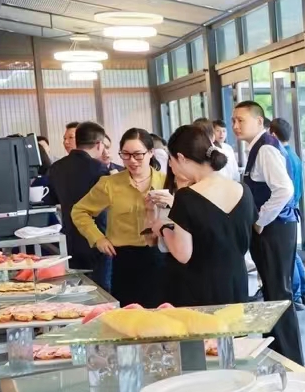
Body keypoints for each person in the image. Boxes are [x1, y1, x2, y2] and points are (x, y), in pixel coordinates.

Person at [233, 100, 304, 364]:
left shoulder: (265, 149)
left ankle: (290, 360)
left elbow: (284, 190)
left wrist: (260, 219)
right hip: (274, 227)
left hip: (276, 228)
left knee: (278, 295)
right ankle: (278, 354)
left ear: (259, 121)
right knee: (273, 293)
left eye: (241, 120)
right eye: (234, 120)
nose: (235, 125)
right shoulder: (259, 147)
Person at [154, 124, 256, 307]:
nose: (171, 166)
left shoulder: (186, 197)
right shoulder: (243, 190)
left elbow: (182, 254)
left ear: (181, 158)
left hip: (202, 287)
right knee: (234, 325)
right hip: (238, 282)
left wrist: (162, 229)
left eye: (171, 160)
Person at [71, 128, 166, 308]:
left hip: (161, 256)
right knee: (128, 315)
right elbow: (79, 211)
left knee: (161, 313)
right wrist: (97, 238)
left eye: (138, 155)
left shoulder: (166, 182)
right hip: (125, 260)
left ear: (150, 153)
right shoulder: (110, 184)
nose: (132, 160)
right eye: (126, 155)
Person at [45, 121, 112, 291]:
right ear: (99, 144)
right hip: (96, 236)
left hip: (69, 238)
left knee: (76, 289)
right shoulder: (99, 169)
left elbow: (51, 199)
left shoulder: (56, 168)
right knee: (101, 289)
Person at [270, 118, 305, 310]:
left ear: (272, 134)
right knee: (293, 255)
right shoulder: (294, 155)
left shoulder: (281, 156)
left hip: (284, 212)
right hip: (292, 209)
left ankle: (295, 296)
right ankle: (304, 291)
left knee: (288, 257)